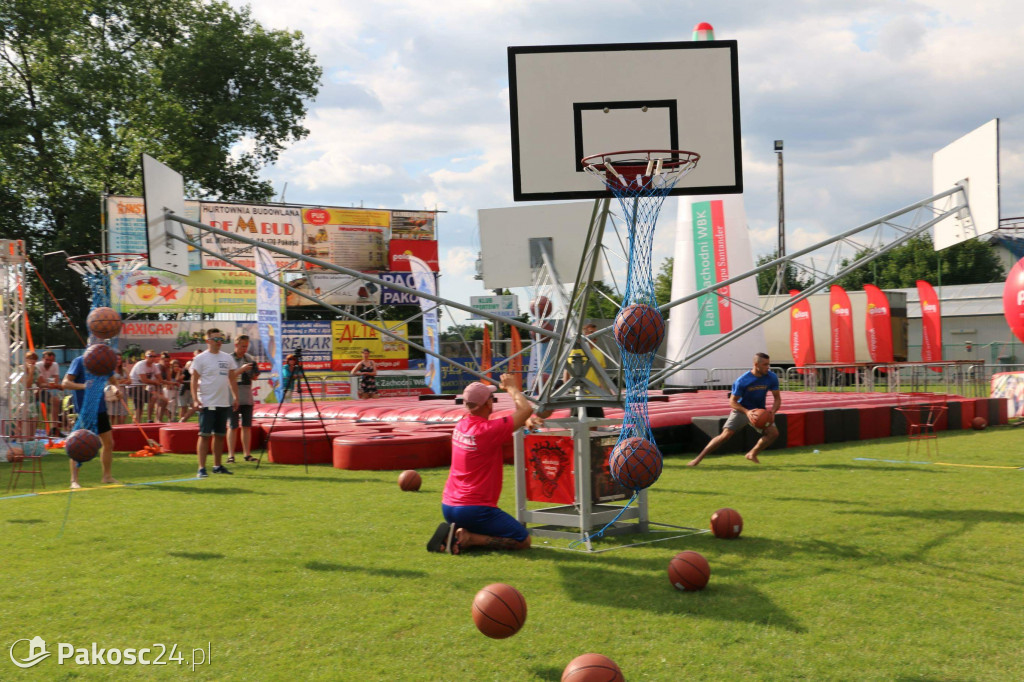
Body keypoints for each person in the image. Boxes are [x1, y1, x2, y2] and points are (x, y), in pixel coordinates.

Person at [429, 373, 542, 554]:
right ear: (489, 403)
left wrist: (524, 421)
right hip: (474, 509)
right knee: (522, 541)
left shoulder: (461, 426)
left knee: (489, 526)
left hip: (449, 507)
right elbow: (525, 410)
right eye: (492, 398)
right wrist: (512, 388)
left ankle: (460, 532)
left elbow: (509, 421)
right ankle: (471, 539)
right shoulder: (488, 431)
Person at [687, 352, 782, 467]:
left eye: (769, 364)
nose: (768, 367)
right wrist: (747, 412)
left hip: (759, 412)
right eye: (765, 365)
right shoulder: (742, 381)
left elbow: (777, 398)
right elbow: (732, 402)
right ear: (756, 364)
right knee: (725, 435)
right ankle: (697, 460)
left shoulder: (771, 377)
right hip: (742, 410)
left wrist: (772, 412)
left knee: (773, 433)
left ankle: (752, 454)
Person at [63, 354, 119, 489]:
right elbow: (65, 383)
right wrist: (84, 386)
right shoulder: (79, 361)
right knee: (76, 444)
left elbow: (114, 382)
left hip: (100, 410)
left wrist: (116, 390)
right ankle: (74, 480)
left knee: (109, 443)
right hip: (84, 411)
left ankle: (107, 476)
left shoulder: (105, 361)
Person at [190, 328, 240, 478]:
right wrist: (195, 399)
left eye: (221, 339)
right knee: (205, 435)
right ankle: (201, 468)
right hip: (207, 402)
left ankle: (217, 465)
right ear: (208, 341)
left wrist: (235, 397)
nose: (219, 342)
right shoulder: (200, 358)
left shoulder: (227, 358)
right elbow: (193, 380)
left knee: (219, 435)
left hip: (223, 402)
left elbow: (232, 379)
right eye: (216, 339)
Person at [226, 335, 259, 464]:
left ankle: (247, 454)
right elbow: (229, 377)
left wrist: (254, 373)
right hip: (232, 397)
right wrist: (242, 369)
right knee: (233, 427)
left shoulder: (249, 358)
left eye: (246, 346)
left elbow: (254, 377)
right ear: (236, 345)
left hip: (247, 396)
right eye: (242, 346)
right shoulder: (228, 359)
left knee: (247, 426)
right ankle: (231, 456)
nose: (244, 349)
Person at [128, 350, 162, 423]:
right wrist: (155, 382)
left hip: (140, 388)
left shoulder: (154, 366)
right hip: (133, 387)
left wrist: (172, 383)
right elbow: (144, 380)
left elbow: (160, 379)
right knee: (153, 397)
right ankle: (149, 419)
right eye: (150, 356)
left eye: (154, 356)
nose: (152, 358)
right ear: (146, 357)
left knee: (139, 410)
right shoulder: (141, 365)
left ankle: (136, 427)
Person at [37, 351, 63, 435]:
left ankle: (54, 428)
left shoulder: (55, 365)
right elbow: (40, 383)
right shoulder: (38, 365)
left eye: (51, 360)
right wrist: (53, 385)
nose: (49, 362)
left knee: (56, 401)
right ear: (42, 359)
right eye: (47, 360)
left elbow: (55, 380)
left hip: (42, 390)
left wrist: (52, 385)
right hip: (33, 391)